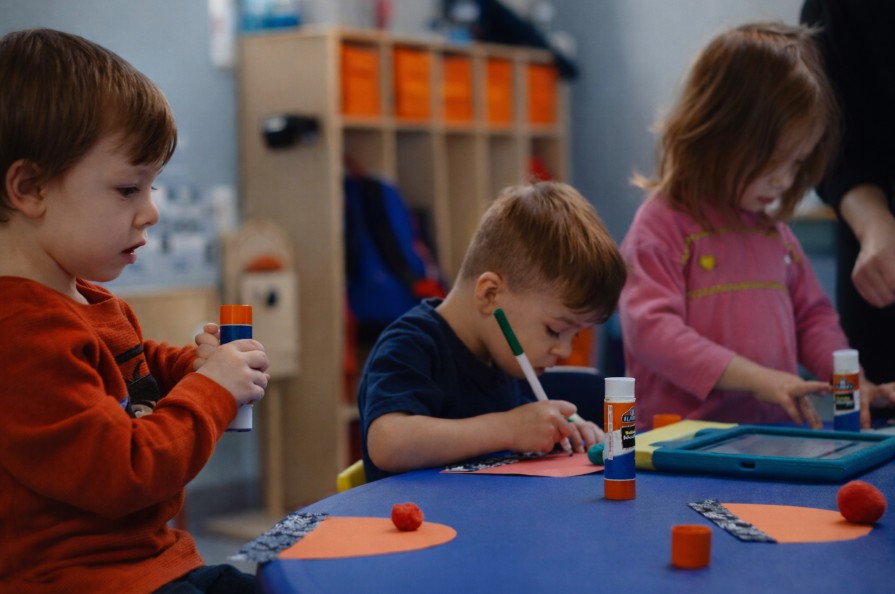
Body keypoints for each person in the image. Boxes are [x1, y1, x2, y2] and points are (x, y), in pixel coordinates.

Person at [0, 29, 269, 593]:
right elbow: (126, 469)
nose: (150, 212)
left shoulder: (86, 300)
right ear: (30, 188)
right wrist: (213, 390)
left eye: (152, 187)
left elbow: (127, 371)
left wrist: (187, 367)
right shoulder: (18, 334)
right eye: (128, 189)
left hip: (152, 563)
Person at [618, 21, 895, 432]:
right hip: (679, 440)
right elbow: (652, 332)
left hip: (772, 435)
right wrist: (761, 381)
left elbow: (814, 319)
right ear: (718, 133)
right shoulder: (661, 225)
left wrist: (851, 384)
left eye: (798, 162)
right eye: (773, 160)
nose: (784, 181)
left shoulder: (773, 231)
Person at [358, 181, 626, 482]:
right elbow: (387, 443)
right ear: (490, 295)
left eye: (573, 335)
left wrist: (564, 428)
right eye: (554, 330)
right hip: (425, 524)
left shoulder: (501, 357)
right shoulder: (411, 345)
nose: (563, 351)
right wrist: (509, 429)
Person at [800, 0, 895, 395]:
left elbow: (813, 324)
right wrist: (875, 225)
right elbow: (839, 152)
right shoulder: (839, 11)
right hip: (882, 267)